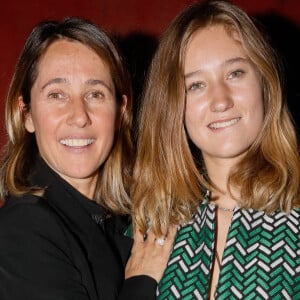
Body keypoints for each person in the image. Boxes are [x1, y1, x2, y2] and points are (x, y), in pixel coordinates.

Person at [132, 1, 300, 299]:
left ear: (265, 82)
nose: (220, 100)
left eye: (235, 73)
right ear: (172, 106)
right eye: (196, 85)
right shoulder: (148, 228)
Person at [0, 17, 175, 300]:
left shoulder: (126, 219)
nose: (79, 116)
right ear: (27, 114)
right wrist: (141, 280)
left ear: (120, 111)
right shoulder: (22, 231)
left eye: (95, 94)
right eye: (57, 95)